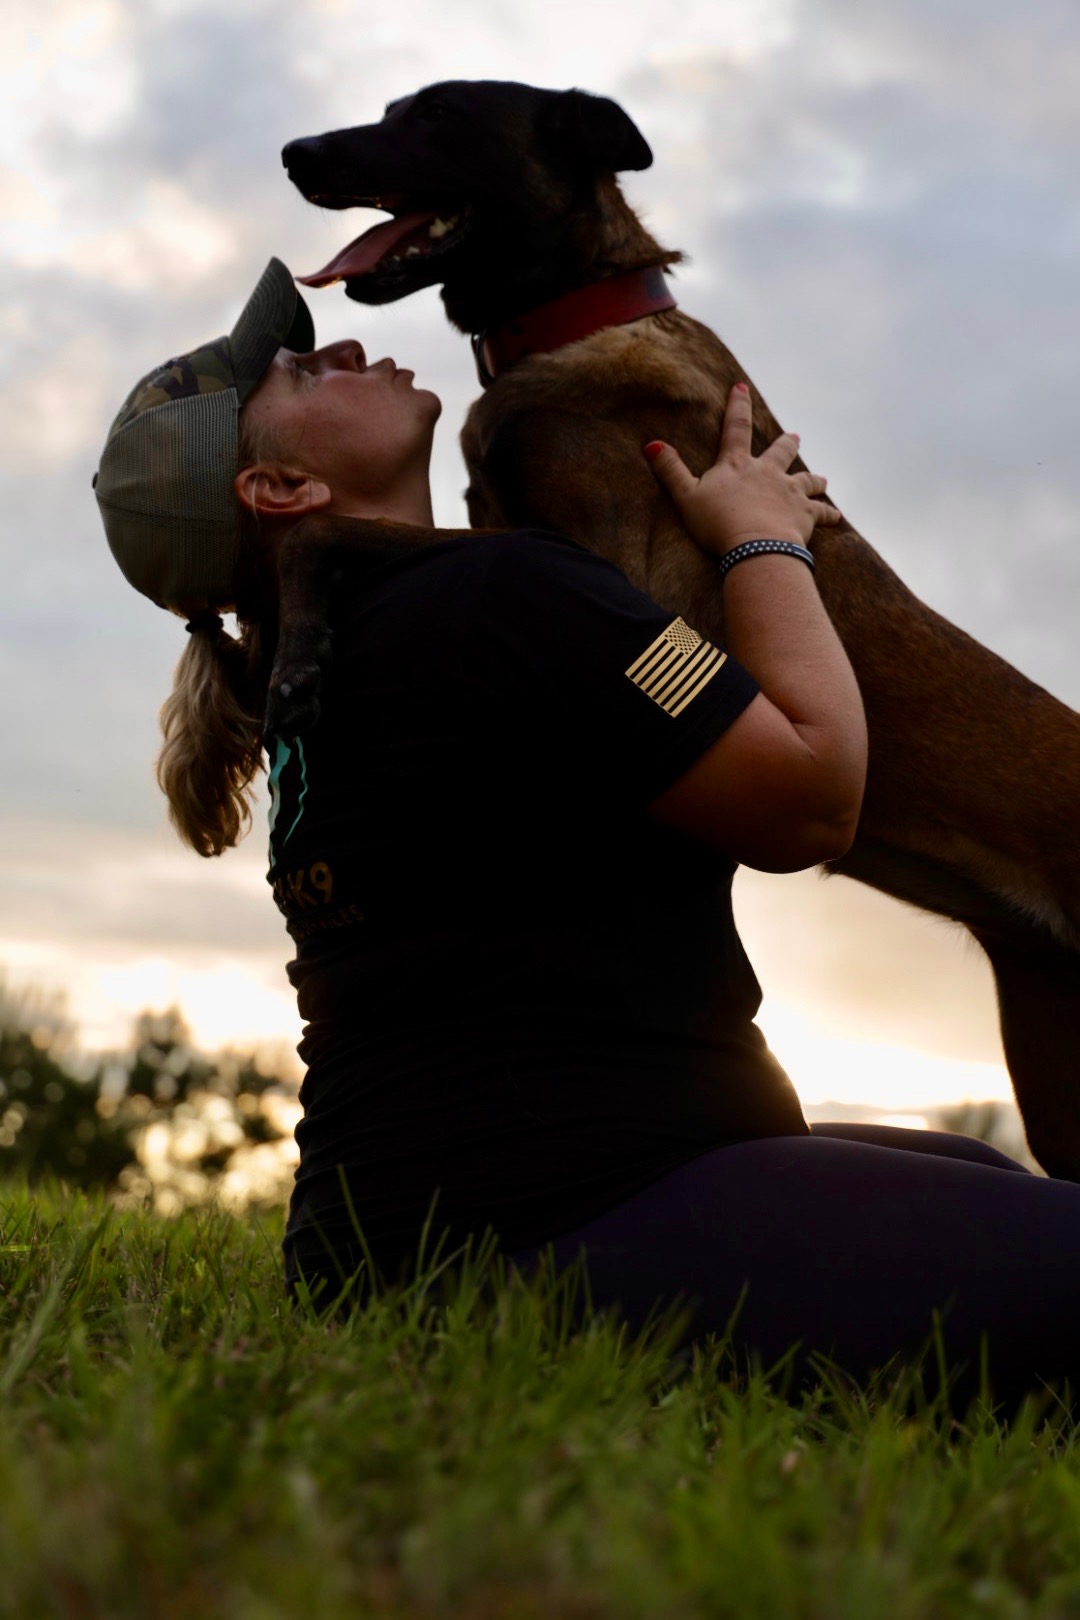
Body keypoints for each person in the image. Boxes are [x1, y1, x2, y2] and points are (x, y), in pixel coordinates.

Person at [96, 258, 1080, 1412]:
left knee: (972, 1169)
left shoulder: (324, 670)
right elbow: (814, 796)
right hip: (565, 1231)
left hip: (382, 1251)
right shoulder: (498, 595)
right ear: (278, 486)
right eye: (304, 375)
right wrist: (764, 540)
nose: (346, 349)